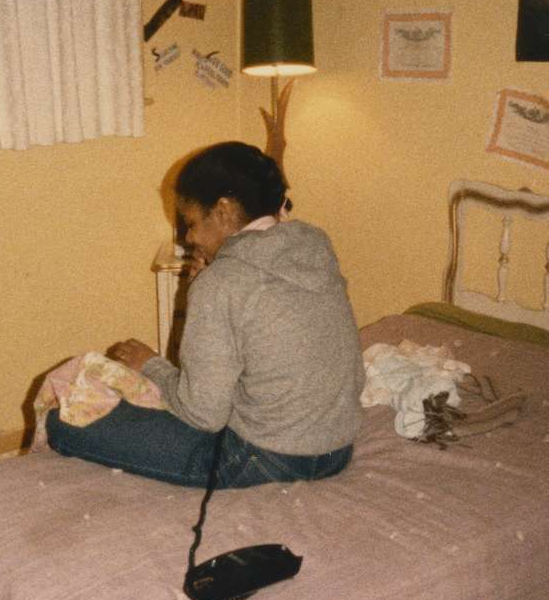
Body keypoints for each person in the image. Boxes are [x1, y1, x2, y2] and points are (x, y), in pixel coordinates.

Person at [46, 141, 365, 488]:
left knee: (63, 418)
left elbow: (202, 413)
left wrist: (151, 364)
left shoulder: (220, 283)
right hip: (337, 450)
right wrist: (207, 283)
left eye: (191, 223)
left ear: (224, 210)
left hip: (269, 461)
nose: (189, 237)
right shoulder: (313, 245)